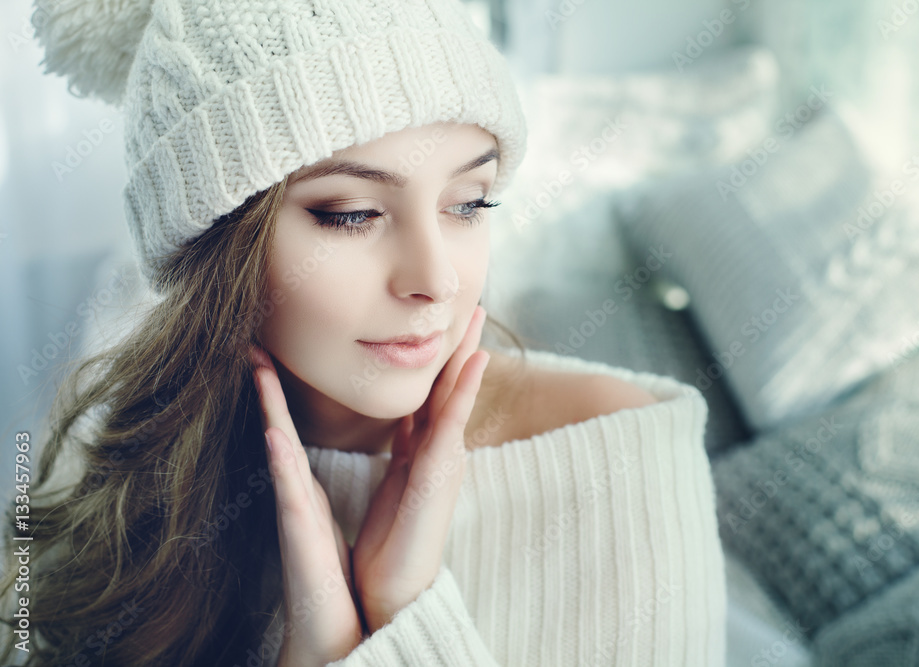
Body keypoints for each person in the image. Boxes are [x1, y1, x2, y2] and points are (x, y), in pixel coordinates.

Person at [0, 0, 727, 665]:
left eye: (469, 204)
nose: (435, 279)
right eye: (351, 213)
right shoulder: (128, 484)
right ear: (215, 245)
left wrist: (405, 606)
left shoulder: (625, 450)